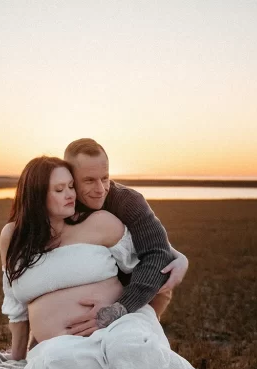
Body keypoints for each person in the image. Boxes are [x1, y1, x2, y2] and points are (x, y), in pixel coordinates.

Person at [0, 156, 246, 369]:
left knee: (124, 348)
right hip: (63, 344)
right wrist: (18, 355)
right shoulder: (12, 237)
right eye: (59, 190)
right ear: (35, 196)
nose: (71, 194)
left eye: (71, 186)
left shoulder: (101, 222)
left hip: (120, 322)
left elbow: (150, 257)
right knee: (52, 361)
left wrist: (178, 259)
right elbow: (15, 300)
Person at [62, 138, 187, 337]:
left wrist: (119, 309)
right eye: (89, 180)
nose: (100, 189)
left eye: (104, 178)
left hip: (141, 291)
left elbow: (157, 253)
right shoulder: (62, 202)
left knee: (131, 343)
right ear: (69, 178)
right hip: (96, 290)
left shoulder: (128, 201)